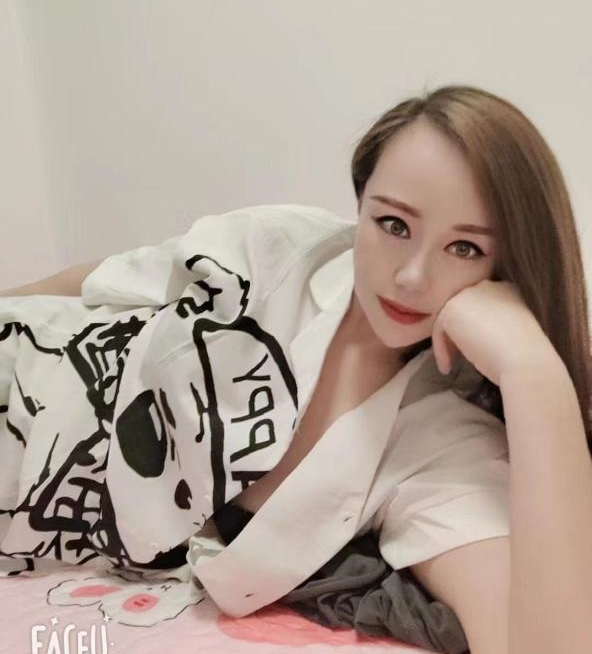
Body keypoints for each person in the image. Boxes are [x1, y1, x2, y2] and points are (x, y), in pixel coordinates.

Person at [1, 85, 591, 653]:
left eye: (465, 248)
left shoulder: (441, 441)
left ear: (505, 266)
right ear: (361, 205)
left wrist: (533, 372)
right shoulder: (279, 248)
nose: (412, 276)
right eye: (393, 224)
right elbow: (99, 283)